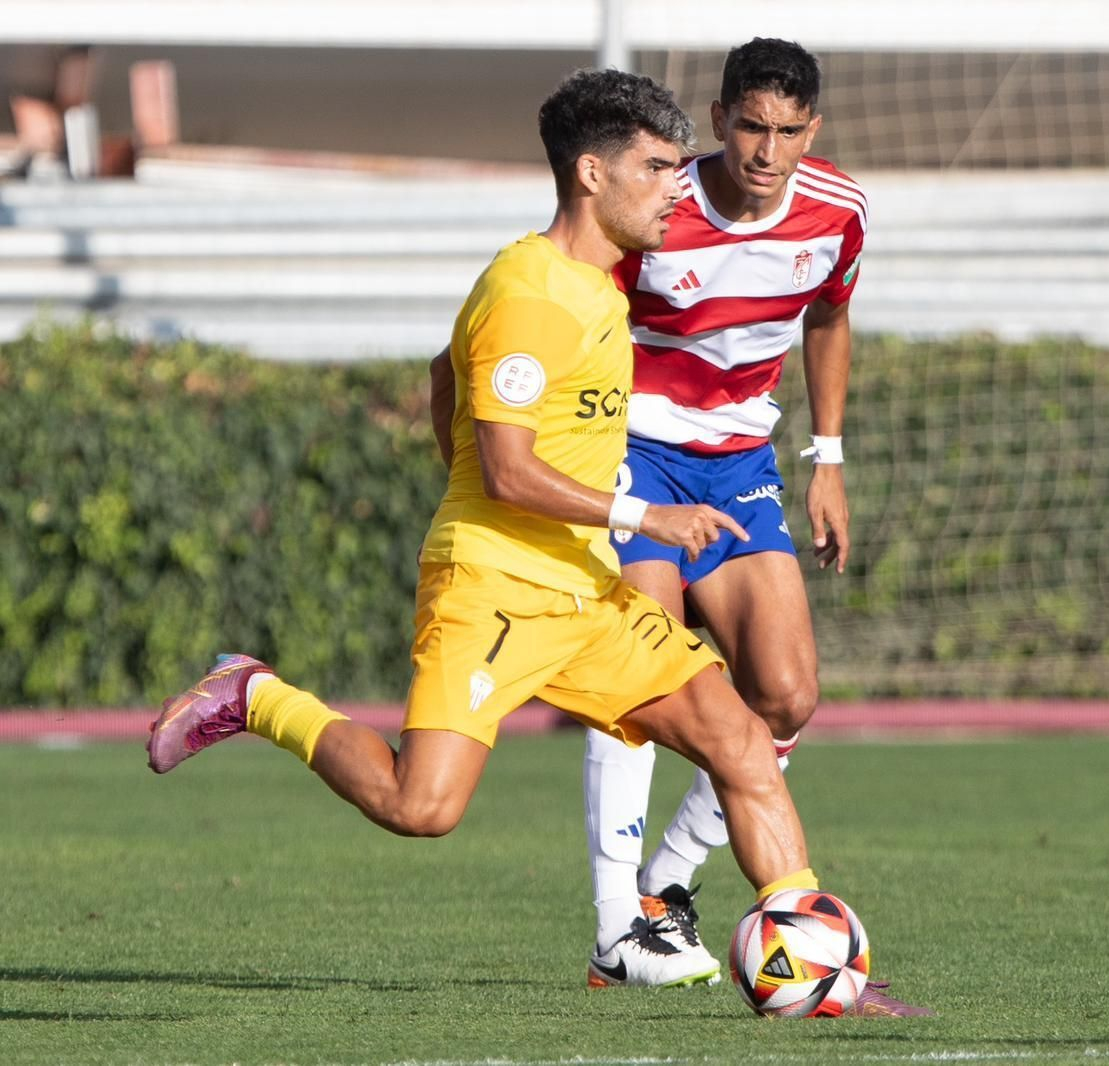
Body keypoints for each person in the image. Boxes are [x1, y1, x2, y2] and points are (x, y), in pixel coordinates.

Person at [147, 68, 825, 989]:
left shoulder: (599, 283)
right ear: (591, 174)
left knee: (742, 740)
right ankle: (253, 693)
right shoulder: (529, 291)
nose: (680, 184)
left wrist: (470, 470)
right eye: (659, 167)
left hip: (585, 595)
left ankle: (817, 973)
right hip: (494, 593)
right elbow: (506, 471)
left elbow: (441, 371)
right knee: (418, 806)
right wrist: (635, 513)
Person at [429, 41, 930, 1017]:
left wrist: (826, 459)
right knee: (638, 666)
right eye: (749, 125)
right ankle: (620, 923)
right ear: (719, 116)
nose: (765, 149)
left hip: (741, 465)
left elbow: (828, 316)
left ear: (812, 131)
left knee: (785, 695)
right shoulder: (656, 209)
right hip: (636, 456)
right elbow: (549, 316)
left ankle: (664, 889)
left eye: (788, 131)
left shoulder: (840, 211)